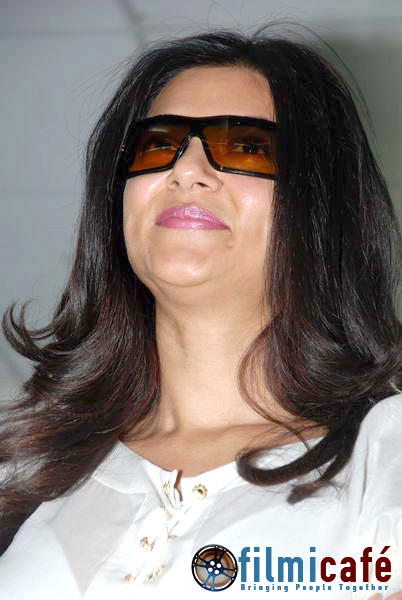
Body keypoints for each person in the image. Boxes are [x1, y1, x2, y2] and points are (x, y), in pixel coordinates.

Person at [0, 24, 401, 600]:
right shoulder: (29, 468)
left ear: (322, 208)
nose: (185, 170)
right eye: (157, 145)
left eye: (248, 147)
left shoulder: (384, 457)